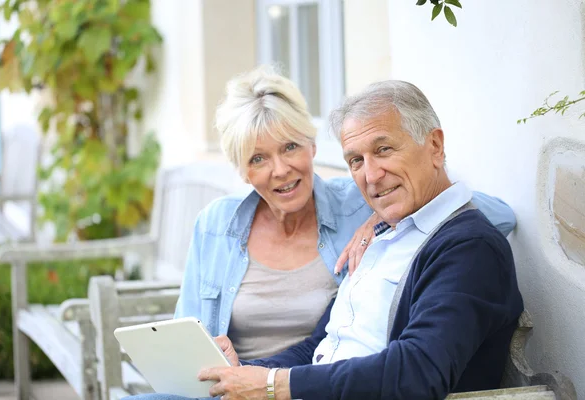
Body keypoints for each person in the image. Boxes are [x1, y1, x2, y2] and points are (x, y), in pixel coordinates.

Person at [191, 80, 524, 400]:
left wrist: (273, 385)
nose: (371, 175)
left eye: (384, 150)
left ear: (435, 146)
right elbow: (320, 345)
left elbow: (418, 371)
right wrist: (243, 375)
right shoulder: (381, 238)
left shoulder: (468, 247)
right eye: (355, 161)